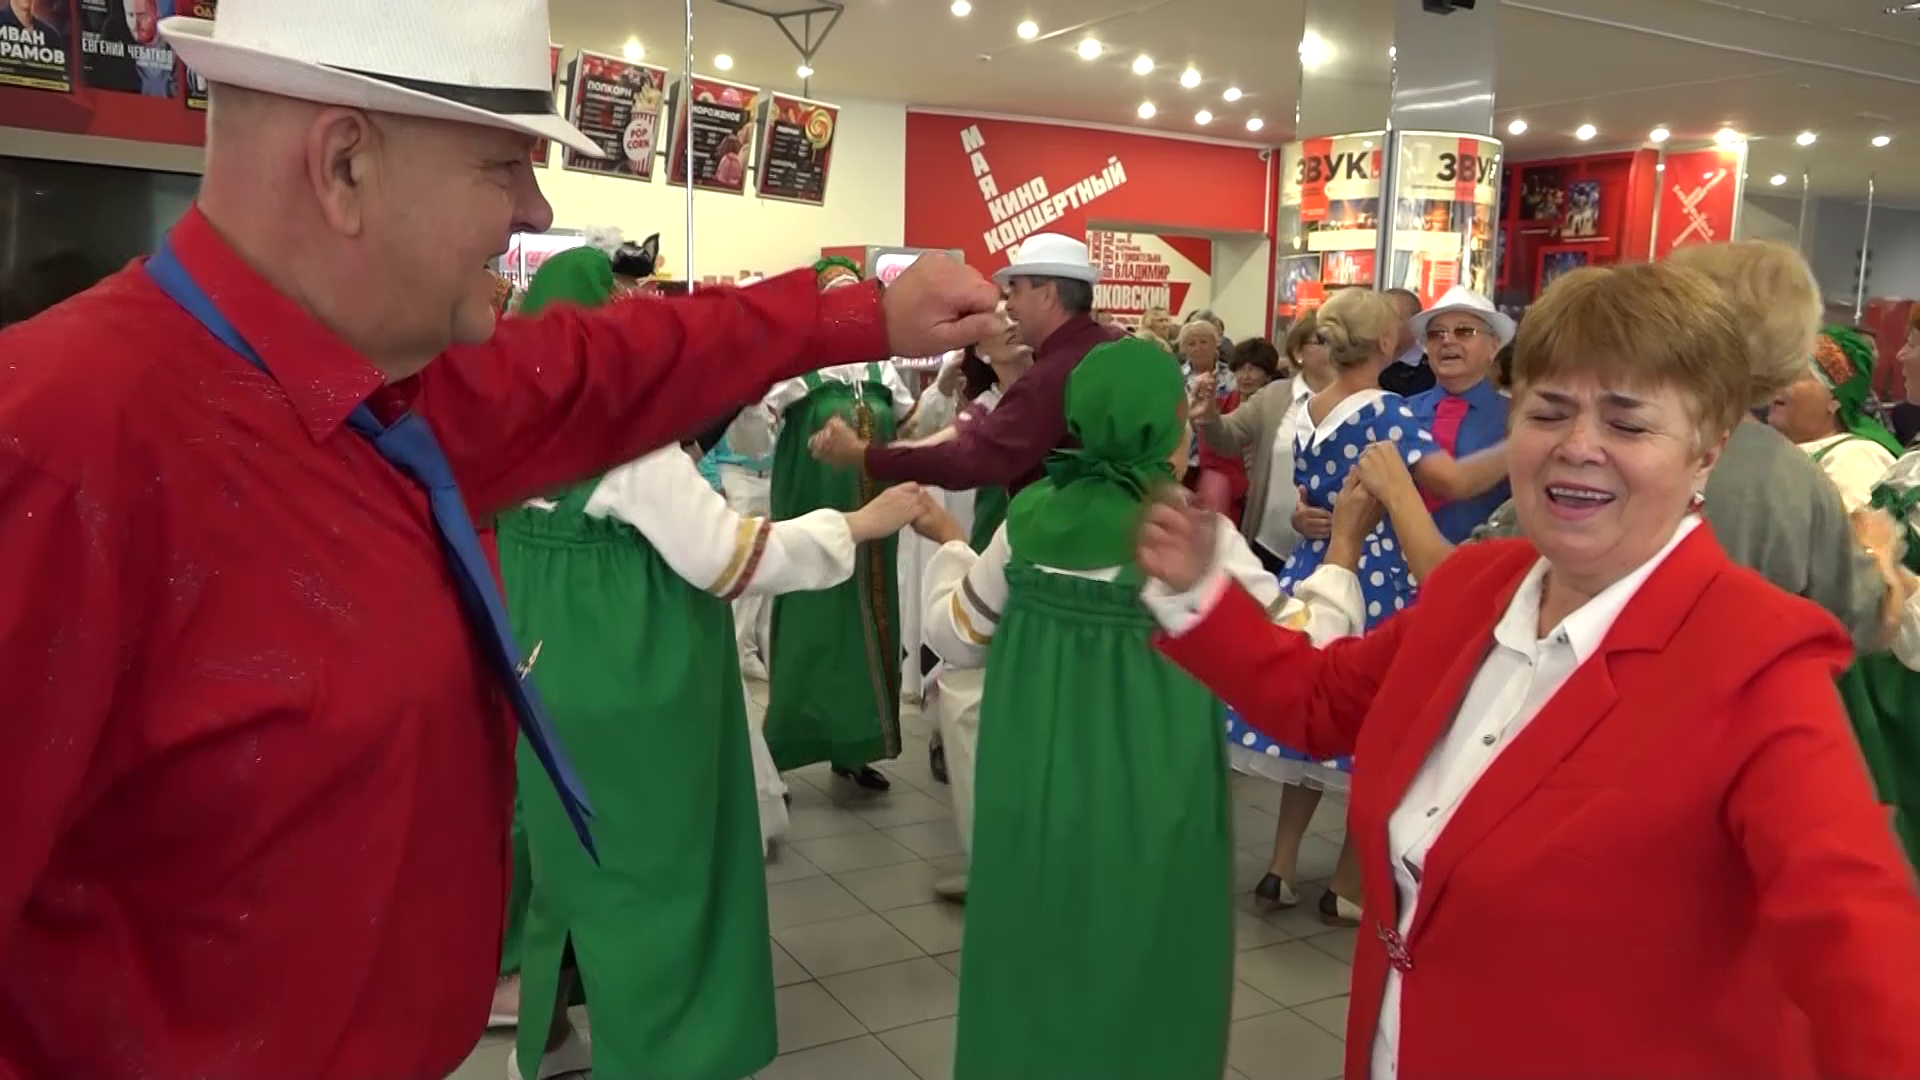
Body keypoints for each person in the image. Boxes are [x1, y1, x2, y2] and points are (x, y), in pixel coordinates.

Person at [0, 4, 1001, 1077]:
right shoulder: (57, 452)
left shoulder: (398, 390)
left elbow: (612, 364)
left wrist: (855, 315)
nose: (537, 206)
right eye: (502, 164)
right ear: (345, 166)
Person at [1140, 260, 1920, 1080]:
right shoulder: (1480, 587)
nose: (1577, 447)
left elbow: (1864, 959)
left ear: (1706, 451)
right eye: (1548, 411)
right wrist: (1201, 592)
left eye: (1627, 423)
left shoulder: (1758, 663)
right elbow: (1321, 702)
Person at [496, 246, 930, 1080]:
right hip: (640, 690)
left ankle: (544, 1045)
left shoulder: (508, 433)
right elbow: (728, 558)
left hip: (545, 684)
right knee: (657, 881)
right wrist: (859, 525)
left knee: (569, 872)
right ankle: (655, 1056)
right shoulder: (628, 449)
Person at [922, 336, 1361, 1080]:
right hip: (1151, 804)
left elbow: (957, 636)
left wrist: (950, 549)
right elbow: (1304, 649)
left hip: (1031, 794)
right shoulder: (1194, 538)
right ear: (1170, 430)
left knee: (1033, 956)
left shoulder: (1028, 519)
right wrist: (1341, 558)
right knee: (1144, 965)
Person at [1239, 287, 1507, 923]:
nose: (1441, 343)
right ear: (1390, 342)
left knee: (1318, 710)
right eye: (1431, 332)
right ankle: (1346, 882)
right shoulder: (1390, 408)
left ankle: (1282, 866)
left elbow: (1312, 489)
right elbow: (1450, 480)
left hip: (1321, 565)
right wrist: (1527, 444)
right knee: (1379, 726)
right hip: (1383, 572)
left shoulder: (1314, 406)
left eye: (1463, 332)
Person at [759, 257, 922, 791]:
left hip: (874, 536)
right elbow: (752, 436)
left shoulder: (882, 371)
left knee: (869, 624)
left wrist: (945, 393)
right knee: (809, 628)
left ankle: (854, 746)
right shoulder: (794, 369)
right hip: (811, 519)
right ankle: (780, 754)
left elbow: (910, 426)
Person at [808, 232, 1123, 495]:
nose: (1010, 307)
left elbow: (970, 460)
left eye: (1016, 290)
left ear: (1048, 295)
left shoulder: (1048, 379)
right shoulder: (1115, 347)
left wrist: (863, 455)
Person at [1403, 286, 1513, 543]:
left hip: (1487, 559)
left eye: (1464, 331)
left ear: (1494, 346)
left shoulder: (1519, 417)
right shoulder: (1400, 413)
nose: (1448, 341)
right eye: (1436, 334)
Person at [1767, 324, 1903, 511]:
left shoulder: (1853, 461)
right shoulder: (1778, 448)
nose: (1781, 383)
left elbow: (1863, 528)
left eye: (1799, 375)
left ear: (1835, 400)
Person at [1196, 337, 1282, 531]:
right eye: (1241, 369)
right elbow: (1210, 458)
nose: (1245, 376)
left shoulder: (1279, 412)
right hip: (1227, 503)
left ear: (1268, 374)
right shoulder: (1218, 407)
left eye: (1253, 369)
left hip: (1266, 504)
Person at [1376, 287, 1435, 397]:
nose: (1381, 323)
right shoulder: (1366, 362)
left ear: (1414, 323)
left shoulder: (1434, 368)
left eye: (1390, 316)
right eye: (1377, 316)